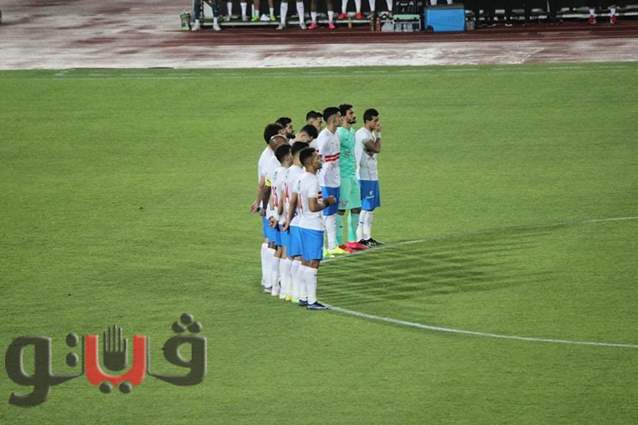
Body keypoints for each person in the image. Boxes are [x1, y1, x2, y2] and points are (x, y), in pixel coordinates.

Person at [297, 147, 336, 310]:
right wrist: (328, 202)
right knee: (313, 262)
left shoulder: (301, 178)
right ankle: (312, 301)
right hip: (313, 225)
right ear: (310, 162)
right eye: (317, 157)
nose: (320, 159)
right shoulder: (312, 180)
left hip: (303, 223)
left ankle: (303, 296)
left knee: (306, 261)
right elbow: (313, 207)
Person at [251, 123, 286, 292]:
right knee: (273, 243)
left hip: (271, 206)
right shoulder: (270, 160)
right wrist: (262, 205)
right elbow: (264, 185)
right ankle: (271, 281)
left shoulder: (273, 156)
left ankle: (270, 280)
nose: (285, 137)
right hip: (271, 208)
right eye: (281, 134)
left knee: (272, 243)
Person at [315, 107, 347, 257]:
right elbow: (318, 159)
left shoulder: (336, 134)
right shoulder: (324, 137)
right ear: (333, 119)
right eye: (340, 116)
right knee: (327, 214)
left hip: (335, 179)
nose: (342, 119)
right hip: (325, 181)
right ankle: (326, 247)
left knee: (332, 212)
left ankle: (332, 246)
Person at [336, 104, 368, 253]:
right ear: (343, 117)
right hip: (342, 176)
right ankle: (338, 243)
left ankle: (352, 241)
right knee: (340, 209)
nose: (354, 115)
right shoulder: (339, 133)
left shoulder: (352, 131)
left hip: (352, 175)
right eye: (351, 113)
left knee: (356, 207)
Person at [283, 141, 311, 304]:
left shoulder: (288, 171)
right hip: (298, 219)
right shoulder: (299, 174)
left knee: (292, 256)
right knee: (300, 257)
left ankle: (289, 291)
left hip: (290, 217)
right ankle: (299, 293)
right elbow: (296, 199)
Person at [268, 143, 293, 298]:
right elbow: (283, 199)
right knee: (285, 251)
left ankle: (274, 287)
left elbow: (272, 196)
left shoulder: (276, 172)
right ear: (288, 156)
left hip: (276, 216)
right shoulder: (286, 174)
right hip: (283, 218)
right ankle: (284, 290)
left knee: (278, 250)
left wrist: (272, 215)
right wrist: (278, 217)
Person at [355, 109, 383, 247]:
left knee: (371, 208)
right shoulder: (362, 134)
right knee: (365, 207)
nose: (377, 123)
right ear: (367, 121)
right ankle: (361, 238)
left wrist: (376, 134)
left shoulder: (370, 134)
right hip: (364, 176)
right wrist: (379, 134)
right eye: (375, 120)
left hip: (372, 175)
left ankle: (368, 237)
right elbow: (376, 149)